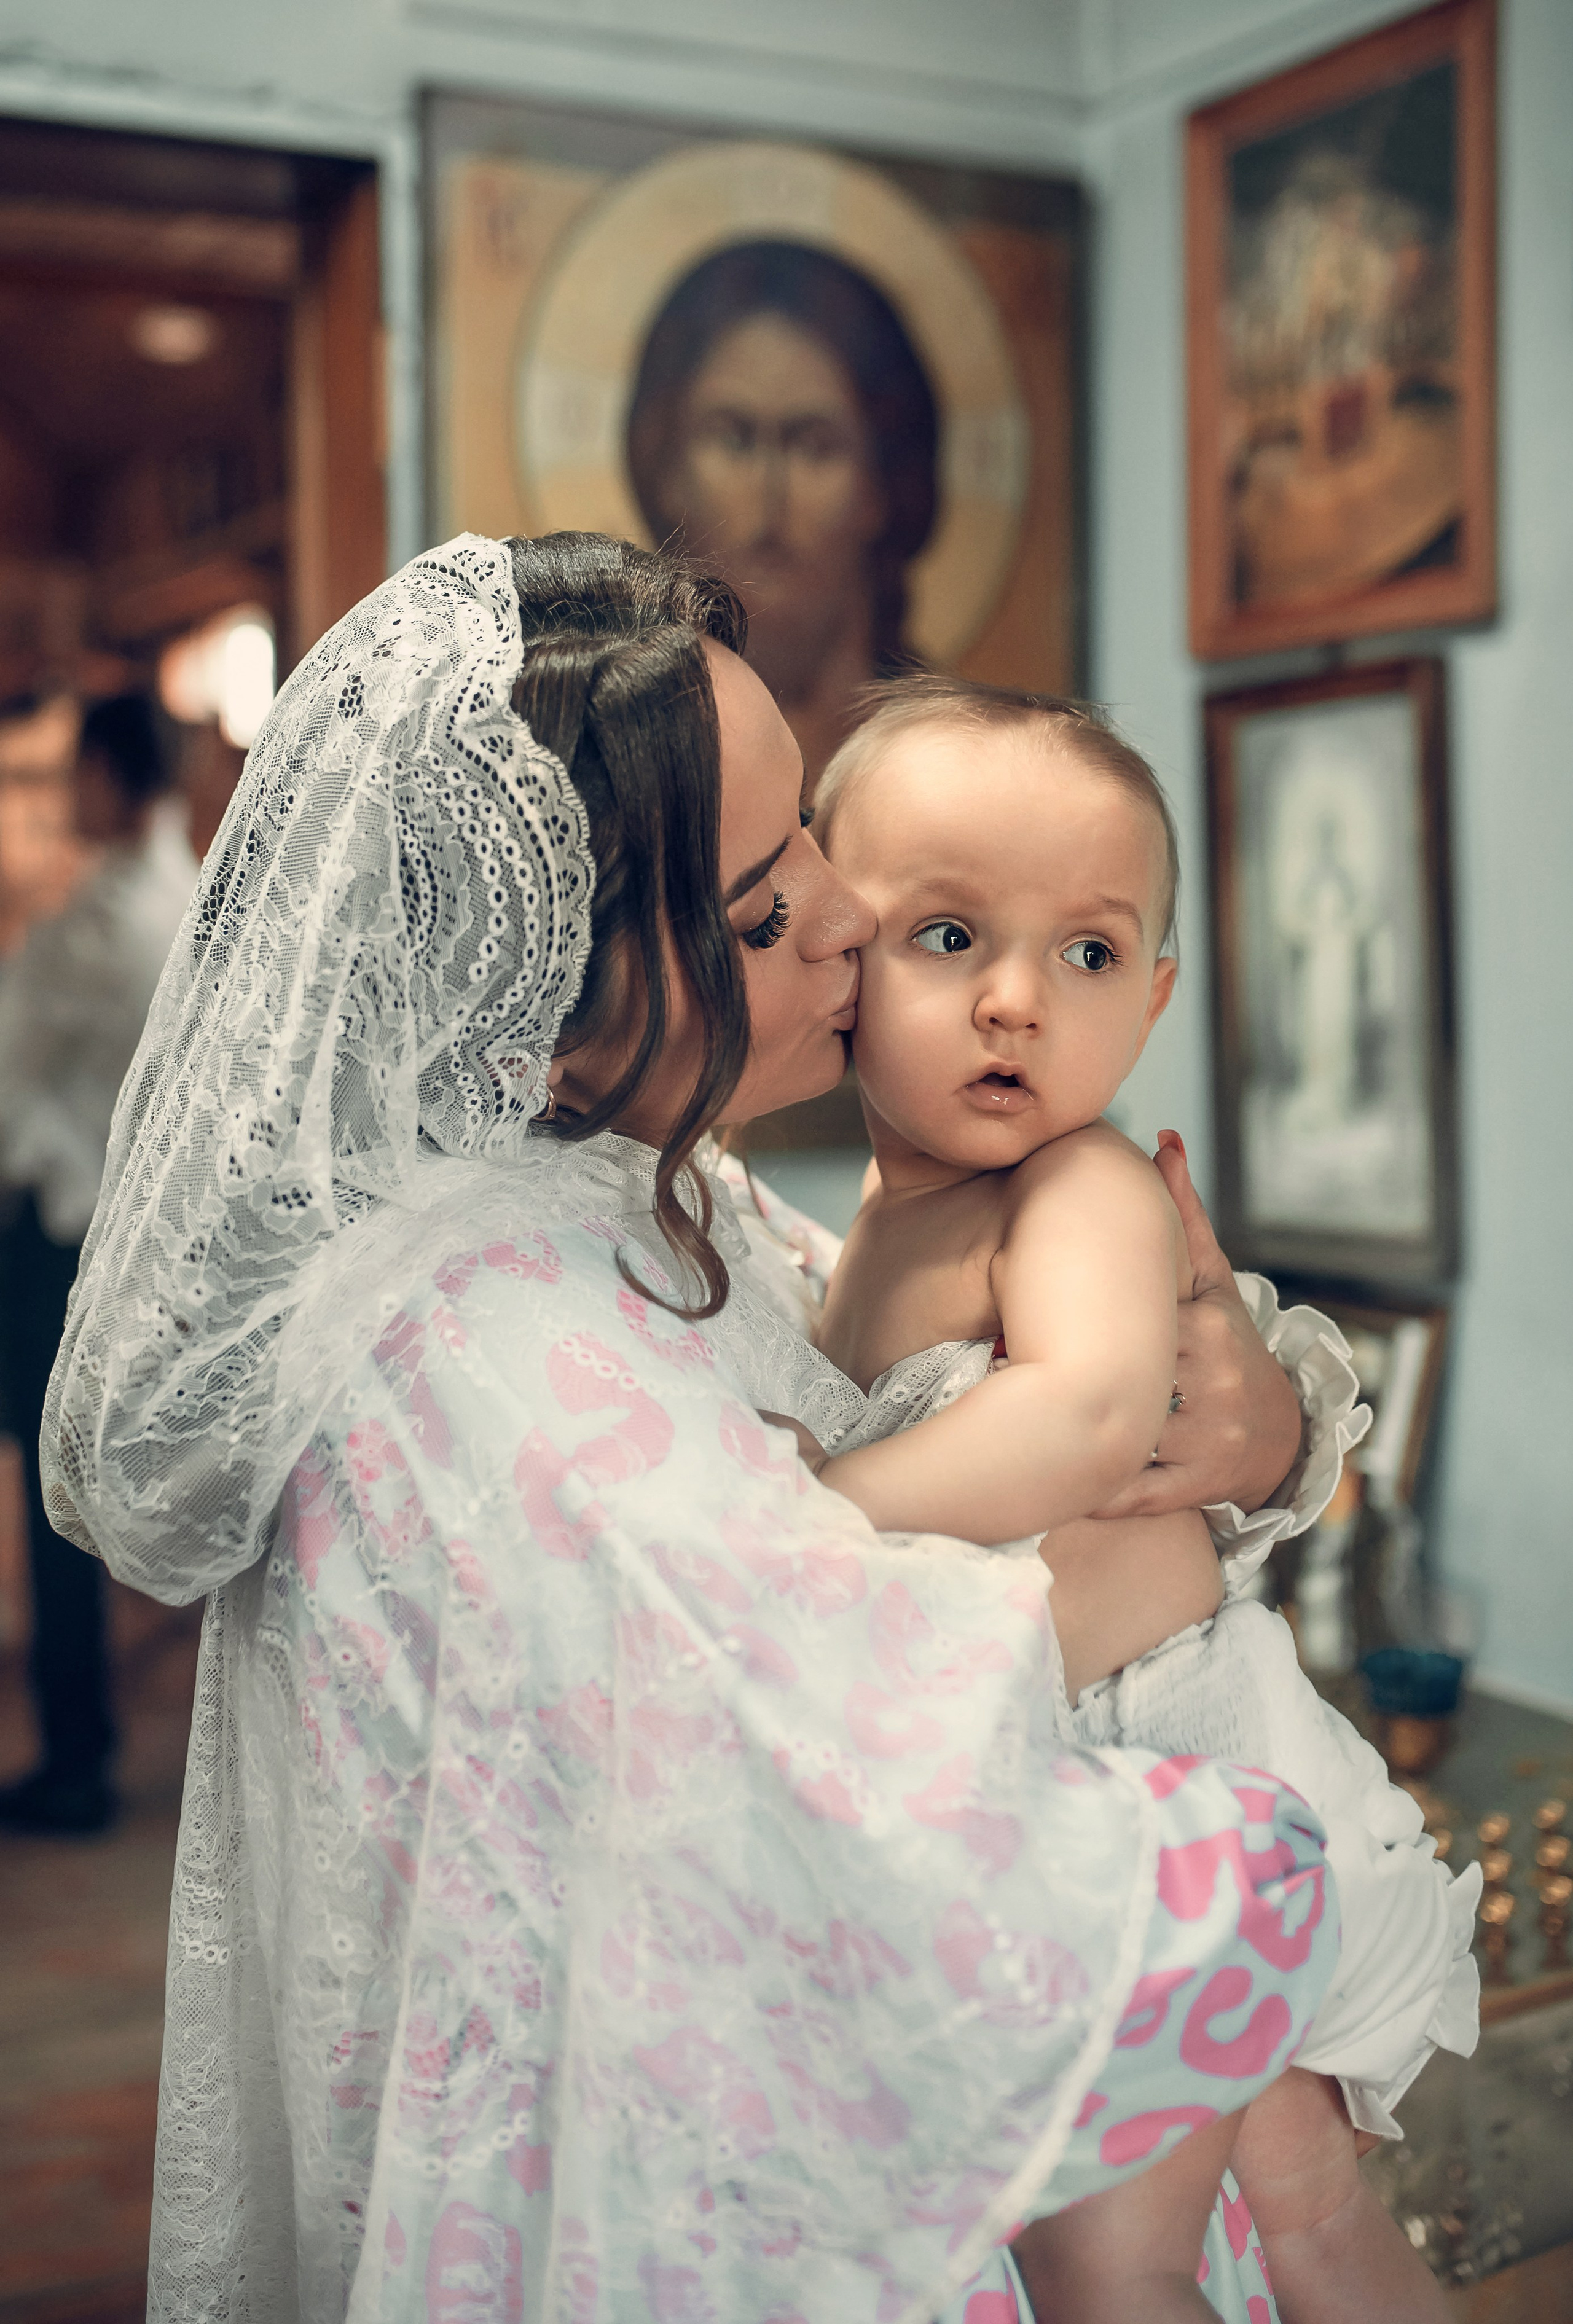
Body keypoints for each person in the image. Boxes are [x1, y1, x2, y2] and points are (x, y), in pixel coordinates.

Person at [47, 534, 1354, 2323]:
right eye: (758, 903)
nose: (845, 917)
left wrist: (1268, 1422)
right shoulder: (485, 1353)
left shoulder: (635, 1190)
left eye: (809, 837)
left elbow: (949, 1391)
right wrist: (1217, 1862)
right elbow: (810, 1727)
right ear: (554, 978)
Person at [782, 671, 1475, 2318]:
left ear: (1154, 997)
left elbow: (1089, 1413)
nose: (1020, 998)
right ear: (836, 955)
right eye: (950, 935)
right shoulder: (874, 1230)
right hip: (1078, 1788)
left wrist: (805, 1519)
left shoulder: (1081, 1184)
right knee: (1288, 2221)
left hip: (1184, 1781)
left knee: (1161, 2252)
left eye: (1087, 951)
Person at [0, 692, 197, 1835]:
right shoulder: (191, 900)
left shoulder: (106, 924)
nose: (65, 795)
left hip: (61, 1235)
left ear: (115, 782)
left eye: (77, 771)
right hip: (138, 1237)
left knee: (54, 1497)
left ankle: (76, 1750)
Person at [626, 239, 938, 791]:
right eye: (732, 438)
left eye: (815, 445)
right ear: (666, 470)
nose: (771, 491)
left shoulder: (942, 764)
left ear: (880, 487)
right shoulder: (620, 760)